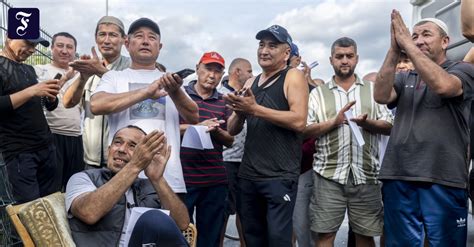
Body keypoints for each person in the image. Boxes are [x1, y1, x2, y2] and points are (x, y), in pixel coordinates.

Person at [374, 11, 474, 246]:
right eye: (415, 36)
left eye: (426, 35)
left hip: (443, 177)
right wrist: (393, 49)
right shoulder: (406, 75)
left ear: (445, 41)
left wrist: (407, 42)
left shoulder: (463, 69)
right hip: (399, 175)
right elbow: (380, 95)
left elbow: (444, 86)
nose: (419, 40)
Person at [90, 17, 199, 194]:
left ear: (160, 47)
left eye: (152, 37)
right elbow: (96, 105)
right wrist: (147, 92)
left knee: (171, 222)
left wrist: (175, 91)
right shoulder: (114, 77)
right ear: (127, 43)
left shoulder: (170, 80)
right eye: (139, 36)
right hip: (123, 177)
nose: (146, 41)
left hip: (167, 177)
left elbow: (194, 116)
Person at [225, 24, 309, 246]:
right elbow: (232, 130)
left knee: (278, 240)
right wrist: (239, 111)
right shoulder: (251, 82)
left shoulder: (292, 77)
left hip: (279, 176)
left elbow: (299, 121)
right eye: (261, 45)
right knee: (252, 239)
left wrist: (253, 109)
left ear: (286, 52)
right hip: (249, 174)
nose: (264, 50)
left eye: (273, 45)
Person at [305, 37, 392, 247]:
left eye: (349, 56)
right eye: (339, 56)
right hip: (328, 175)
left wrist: (367, 123)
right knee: (325, 235)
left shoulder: (372, 90)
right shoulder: (318, 93)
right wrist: (336, 121)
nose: (345, 61)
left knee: (365, 235)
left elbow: (389, 125)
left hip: (366, 173)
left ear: (357, 58)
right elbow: (305, 130)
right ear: (331, 60)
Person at [66, 126, 190, 246]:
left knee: (154, 219)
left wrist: (157, 179)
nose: (121, 149)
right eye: (117, 142)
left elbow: (182, 224)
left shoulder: (150, 186)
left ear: (147, 156)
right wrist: (135, 165)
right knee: (153, 217)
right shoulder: (84, 178)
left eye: (132, 146)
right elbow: (89, 213)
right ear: (109, 150)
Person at [179, 51, 233, 247]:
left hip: (214, 180)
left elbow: (230, 140)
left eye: (218, 71)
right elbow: (167, 129)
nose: (212, 75)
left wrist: (215, 130)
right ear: (197, 68)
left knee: (209, 238)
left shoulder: (224, 102)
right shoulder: (180, 94)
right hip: (182, 178)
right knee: (181, 234)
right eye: (208, 68)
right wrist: (196, 127)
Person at [0, 37, 62, 204]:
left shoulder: (29, 69)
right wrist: (32, 91)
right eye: (28, 43)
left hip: (46, 148)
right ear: (9, 38)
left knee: (51, 204)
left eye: (35, 45)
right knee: (28, 211)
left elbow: (44, 106)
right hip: (19, 153)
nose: (33, 50)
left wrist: (50, 97)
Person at [64, 16, 130, 170]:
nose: (106, 40)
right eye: (102, 35)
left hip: (123, 159)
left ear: (124, 40)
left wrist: (100, 71)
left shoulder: (131, 66)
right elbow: (68, 102)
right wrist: (83, 77)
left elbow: (131, 98)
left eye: (113, 35)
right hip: (91, 160)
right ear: (96, 38)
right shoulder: (90, 65)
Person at [35, 32, 82, 190]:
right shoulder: (39, 70)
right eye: (60, 46)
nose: (64, 50)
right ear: (52, 49)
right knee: (50, 188)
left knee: (74, 188)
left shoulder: (81, 75)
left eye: (69, 47)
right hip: (50, 136)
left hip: (76, 137)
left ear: (75, 51)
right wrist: (65, 78)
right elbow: (43, 99)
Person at [217, 57, 252, 247]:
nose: (251, 75)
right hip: (226, 160)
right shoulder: (219, 94)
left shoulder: (248, 94)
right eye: (249, 71)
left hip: (246, 162)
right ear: (237, 72)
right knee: (222, 211)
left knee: (246, 212)